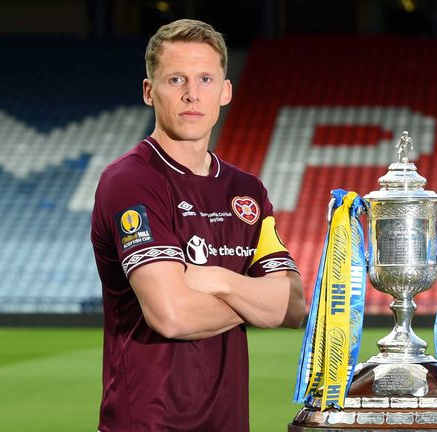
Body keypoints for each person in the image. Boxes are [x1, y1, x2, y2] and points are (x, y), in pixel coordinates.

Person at [91, 19, 305, 431]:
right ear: (149, 92)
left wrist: (218, 281)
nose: (192, 93)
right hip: (147, 423)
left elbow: (293, 305)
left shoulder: (246, 190)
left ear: (225, 91)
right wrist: (256, 303)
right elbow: (172, 315)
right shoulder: (131, 181)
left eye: (206, 78)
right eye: (176, 79)